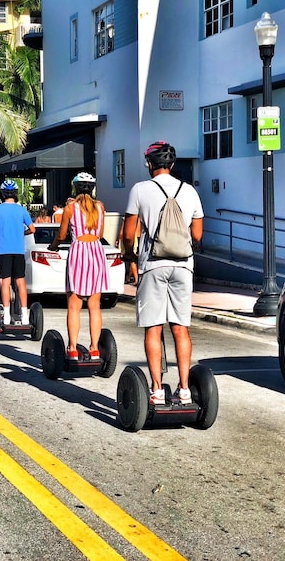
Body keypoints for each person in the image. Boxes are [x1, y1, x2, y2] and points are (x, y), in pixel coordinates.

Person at [122, 141, 204, 406]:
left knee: (153, 328)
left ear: (149, 164)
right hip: (183, 265)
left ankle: (157, 390)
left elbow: (128, 233)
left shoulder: (140, 190)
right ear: (172, 164)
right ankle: (184, 389)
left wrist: (130, 257)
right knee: (180, 328)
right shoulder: (190, 191)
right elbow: (198, 234)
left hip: (152, 265)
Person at [48, 172, 109, 361]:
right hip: (96, 252)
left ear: (75, 188)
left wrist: (54, 246)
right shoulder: (100, 208)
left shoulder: (70, 208)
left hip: (79, 252)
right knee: (94, 305)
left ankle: (73, 348)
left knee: (74, 304)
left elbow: (62, 234)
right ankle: (94, 348)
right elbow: (100, 234)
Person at [0, 179, 36, 325]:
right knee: (21, 282)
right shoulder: (21, 210)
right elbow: (33, 229)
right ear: (15, 194)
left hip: (3, 251)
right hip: (18, 251)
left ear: (2, 194)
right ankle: (24, 315)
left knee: (6, 282)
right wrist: (22, 233)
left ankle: (7, 315)